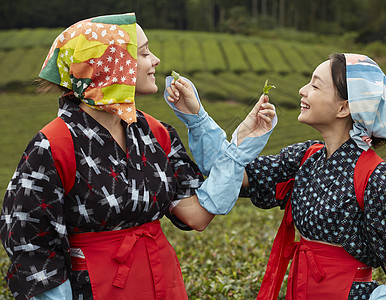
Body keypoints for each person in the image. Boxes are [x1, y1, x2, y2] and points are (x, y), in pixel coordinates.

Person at [0, 13, 276, 300]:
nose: (155, 60)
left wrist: (237, 143)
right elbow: (30, 244)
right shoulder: (53, 145)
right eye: (143, 52)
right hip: (96, 286)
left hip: (160, 279)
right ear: (109, 65)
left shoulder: (156, 134)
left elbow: (196, 215)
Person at [165, 53, 386, 299]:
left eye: (315, 85)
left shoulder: (379, 178)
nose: (303, 90)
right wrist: (198, 117)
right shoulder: (305, 157)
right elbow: (232, 175)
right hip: (301, 288)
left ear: (344, 107)